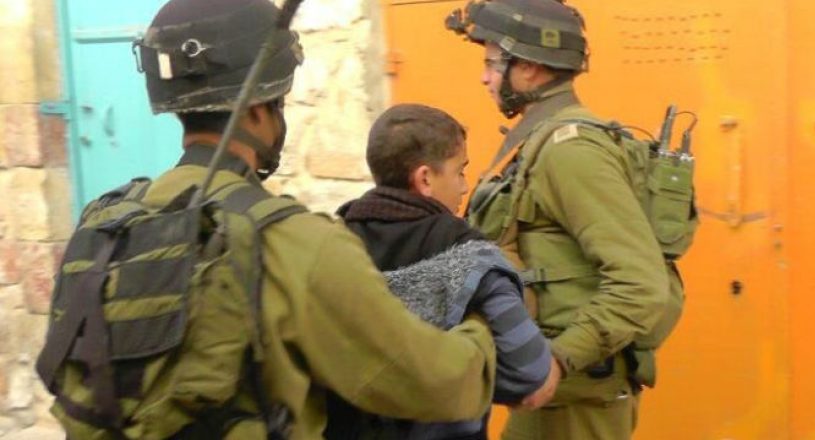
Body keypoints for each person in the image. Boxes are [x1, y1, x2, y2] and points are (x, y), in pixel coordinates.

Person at [35, 1, 496, 438]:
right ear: (260, 110)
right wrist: (481, 321)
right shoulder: (296, 241)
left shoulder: (106, 222)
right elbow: (440, 385)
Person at [445, 1, 673, 438]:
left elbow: (641, 283)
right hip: (552, 398)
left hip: (573, 400)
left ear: (529, 68)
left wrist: (559, 358)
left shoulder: (570, 151)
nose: (485, 76)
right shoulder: (541, 140)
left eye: (493, 62)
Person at [328, 103, 559, 439]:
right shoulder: (471, 258)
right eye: (459, 171)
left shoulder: (329, 249)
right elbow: (531, 372)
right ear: (425, 179)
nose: (465, 187)